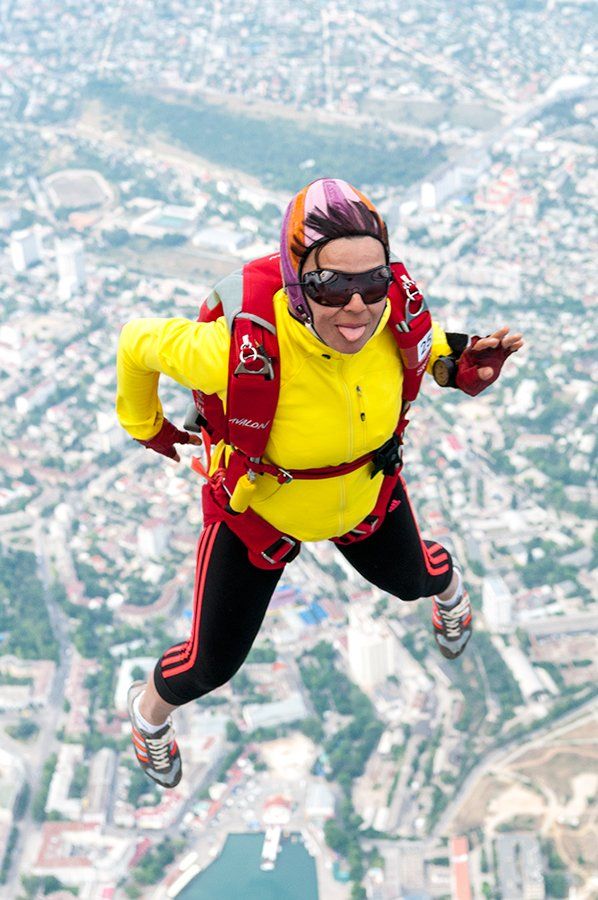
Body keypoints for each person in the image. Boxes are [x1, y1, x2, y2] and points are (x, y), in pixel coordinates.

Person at [115, 178, 523, 788]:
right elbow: (137, 343)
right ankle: (147, 715)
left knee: (417, 580)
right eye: (331, 285)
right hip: (258, 514)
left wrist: (462, 366)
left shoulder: (396, 323)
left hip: (364, 496)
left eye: (373, 283)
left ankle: (451, 592)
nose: (357, 306)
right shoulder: (236, 351)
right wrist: (148, 427)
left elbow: (432, 348)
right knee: (209, 665)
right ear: (296, 280)